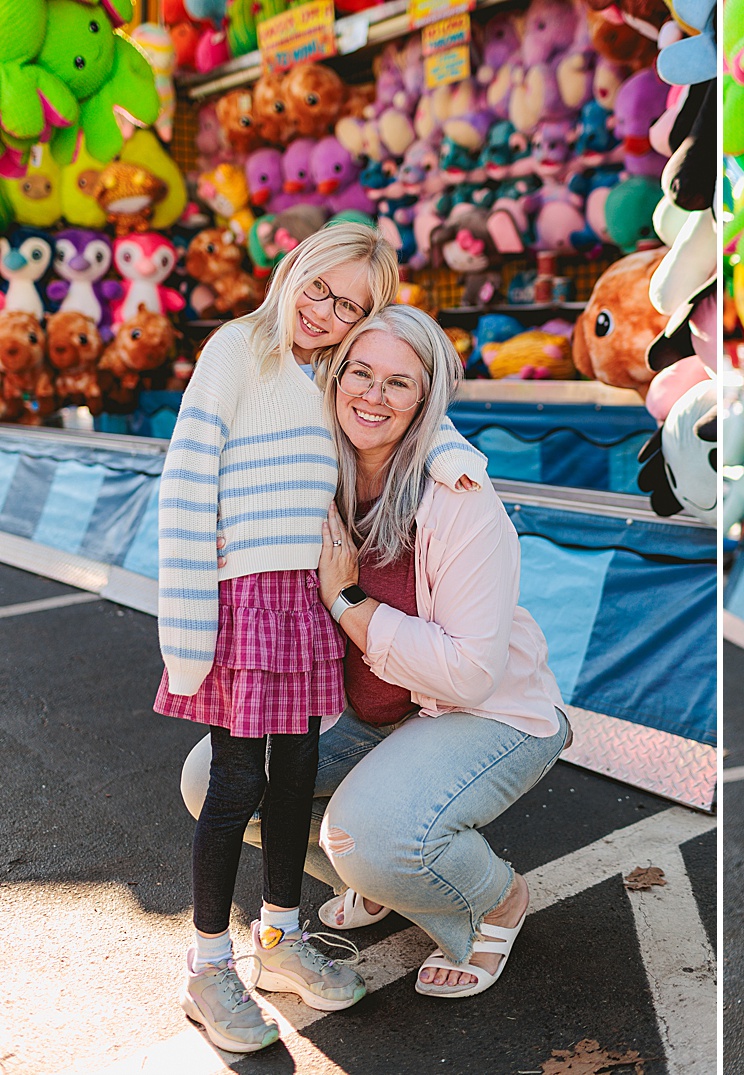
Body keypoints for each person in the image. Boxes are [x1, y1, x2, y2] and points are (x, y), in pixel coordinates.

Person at [179, 303, 569, 1005]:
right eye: (360, 372)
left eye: (399, 382)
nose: (373, 395)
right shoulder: (314, 469)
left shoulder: (459, 497)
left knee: (367, 836)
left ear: (426, 400)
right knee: (212, 779)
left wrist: (347, 600)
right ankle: (383, 880)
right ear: (334, 378)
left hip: (484, 710)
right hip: (373, 710)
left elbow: (472, 672)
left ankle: (492, 900)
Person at [157, 223, 483, 1053]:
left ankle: (280, 937)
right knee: (235, 779)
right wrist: (186, 615)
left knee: (295, 774)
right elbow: (186, 478)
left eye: (351, 307)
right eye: (320, 289)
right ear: (293, 268)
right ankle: (207, 964)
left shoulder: (333, 371)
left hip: (304, 600)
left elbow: (414, 411)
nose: (327, 312)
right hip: (242, 601)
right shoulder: (236, 348)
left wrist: (455, 459)